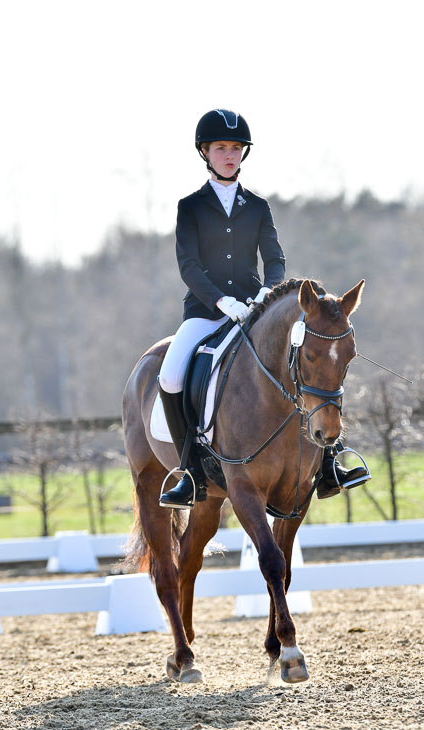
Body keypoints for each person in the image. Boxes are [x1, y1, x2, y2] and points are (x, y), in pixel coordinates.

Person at [158, 109, 370, 509]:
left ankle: (328, 463)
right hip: (206, 311)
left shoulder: (257, 206)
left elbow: (274, 258)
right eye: (221, 148)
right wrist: (223, 302)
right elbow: (189, 266)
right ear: (205, 152)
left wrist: (267, 294)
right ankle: (188, 472)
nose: (229, 154)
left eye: (236, 148)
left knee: (312, 359)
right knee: (170, 377)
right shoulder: (191, 206)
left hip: (257, 309)